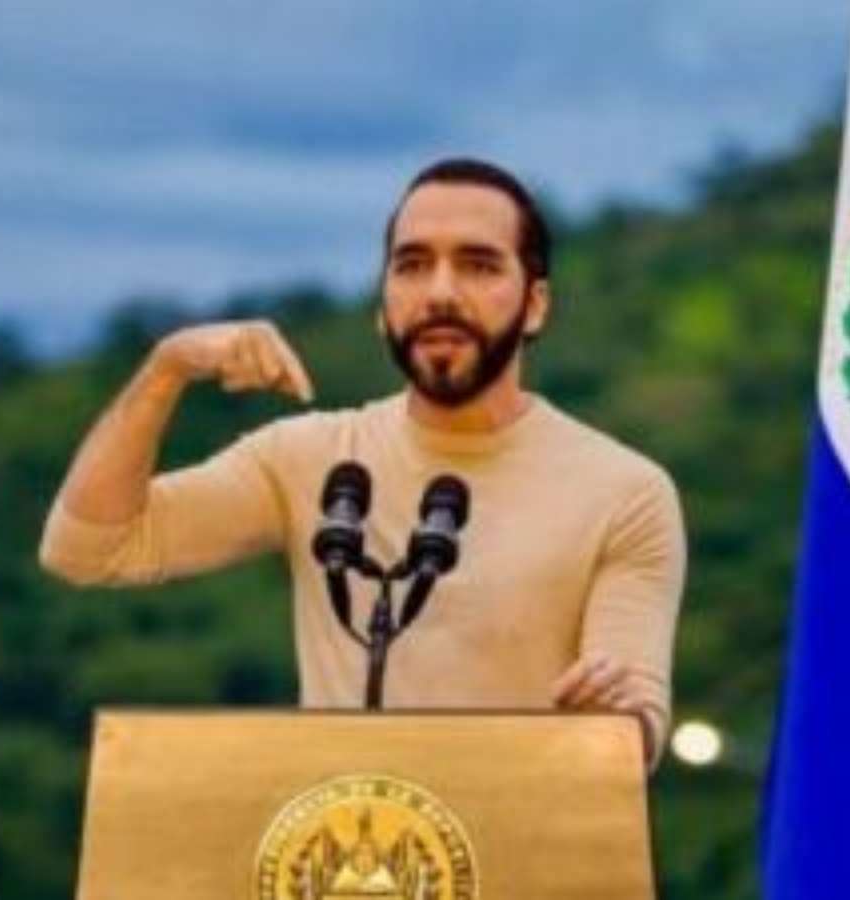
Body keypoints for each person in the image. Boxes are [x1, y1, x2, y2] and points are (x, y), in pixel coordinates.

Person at [39, 158, 686, 769]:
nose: (440, 293)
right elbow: (87, 549)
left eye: (478, 265)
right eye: (412, 266)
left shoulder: (623, 492)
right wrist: (167, 370)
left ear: (536, 304)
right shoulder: (309, 459)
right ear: (382, 307)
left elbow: (635, 725)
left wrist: (614, 715)